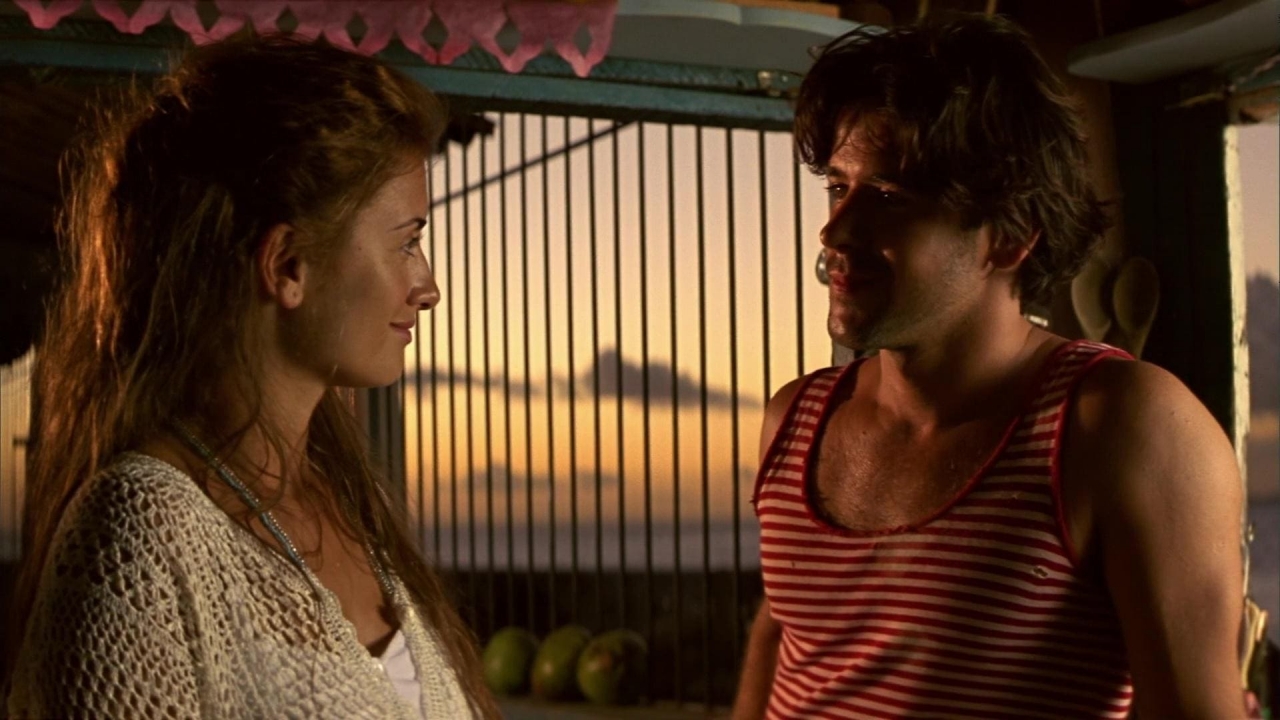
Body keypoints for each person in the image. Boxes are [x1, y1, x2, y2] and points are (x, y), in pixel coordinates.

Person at [733, 14, 1250, 720]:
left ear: (1007, 238)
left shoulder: (1121, 425)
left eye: (888, 197)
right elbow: (784, 632)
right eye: (836, 186)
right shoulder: (794, 417)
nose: (836, 230)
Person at [6, 35, 497, 719]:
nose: (428, 287)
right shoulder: (141, 536)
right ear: (287, 264)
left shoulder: (340, 505)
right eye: (407, 242)